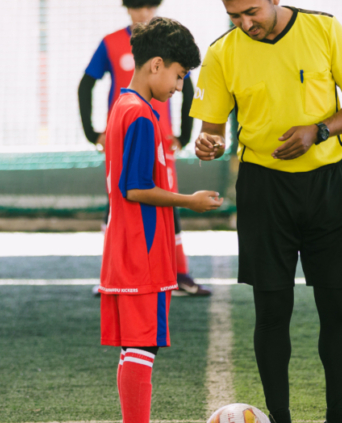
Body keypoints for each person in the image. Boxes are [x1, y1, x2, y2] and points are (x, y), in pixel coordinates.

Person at [191, 0, 342, 421]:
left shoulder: (324, 30)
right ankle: (279, 418)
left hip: (329, 186)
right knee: (271, 313)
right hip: (263, 190)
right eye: (235, 16)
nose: (245, 23)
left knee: (338, 312)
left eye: (252, 11)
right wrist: (209, 144)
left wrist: (319, 130)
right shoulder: (222, 52)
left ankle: (338, 418)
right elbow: (212, 130)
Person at [97, 17, 222, 423]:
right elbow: (135, 188)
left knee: (135, 347)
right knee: (141, 346)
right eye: (179, 75)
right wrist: (190, 200)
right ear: (156, 65)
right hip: (141, 250)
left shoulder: (124, 106)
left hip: (129, 247)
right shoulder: (140, 115)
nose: (180, 87)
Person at [80, 0, 210, 297]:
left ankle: (173, 274)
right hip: (130, 131)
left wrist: (183, 135)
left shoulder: (168, 45)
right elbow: (86, 84)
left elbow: (188, 87)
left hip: (159, 137)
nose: (145, 13)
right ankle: (121, 274)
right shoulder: (113, 45)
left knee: (148, 198)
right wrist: (92, 133)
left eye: (150, 7)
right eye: (139, 7)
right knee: (130, 197)